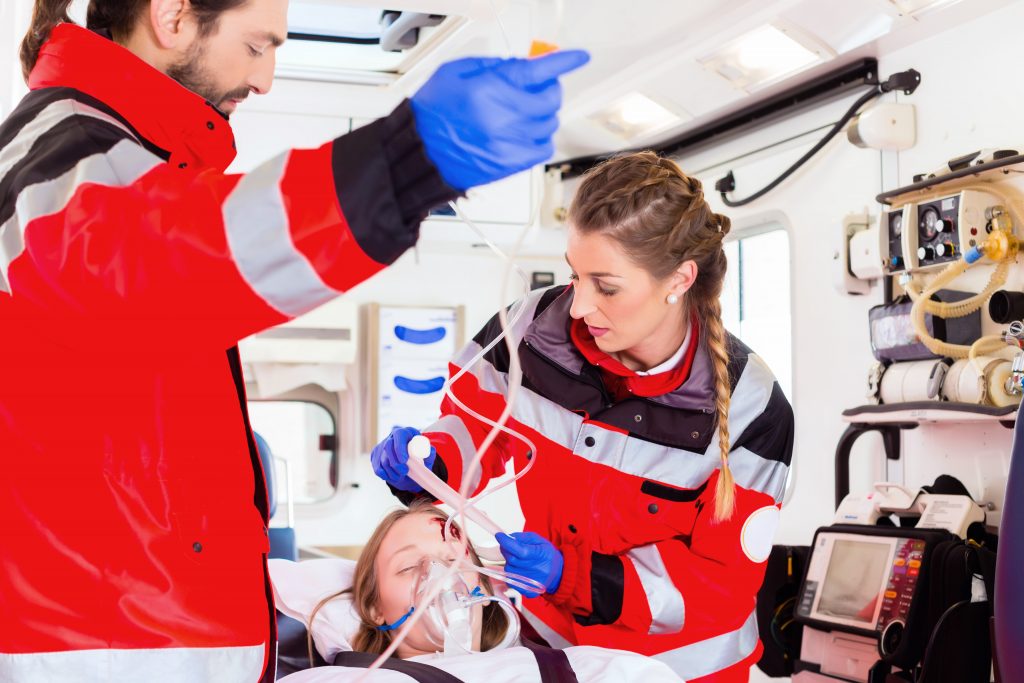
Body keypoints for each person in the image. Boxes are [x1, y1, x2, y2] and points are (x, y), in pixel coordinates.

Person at [0, 1, 588, 681]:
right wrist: (407, 160)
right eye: (257, 45)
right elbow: (190, 258)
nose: (267, 78)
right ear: (172, 16)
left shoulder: (112, 162)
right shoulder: (62, 158)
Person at [371, 152, 795, 682]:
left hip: (678, 670)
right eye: (576, 276)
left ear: (680, 279)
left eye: (606, 286)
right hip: (551, 652)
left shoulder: (753, 408)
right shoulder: (528, 331)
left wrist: (571, 575)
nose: (577, 306)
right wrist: (432, 459)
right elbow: (475, 427)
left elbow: (716, 586)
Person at [275, 500, 683, 682]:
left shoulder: (594, 670)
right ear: (375, 609)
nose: (437, 572)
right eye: (407, 566)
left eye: (452, 556)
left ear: (480, 582)